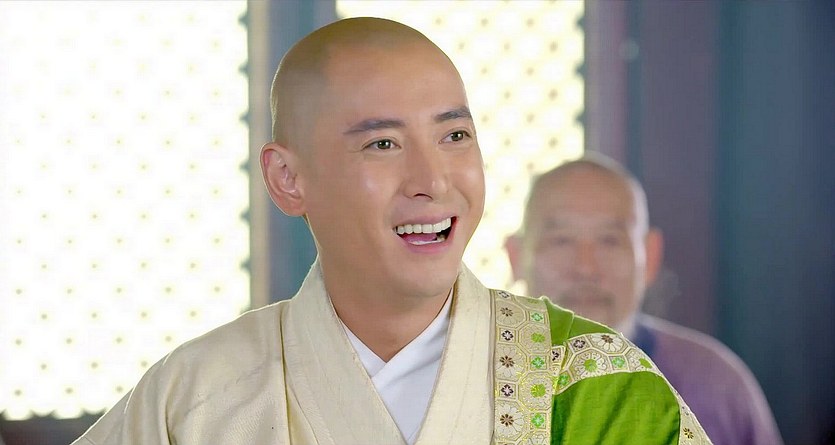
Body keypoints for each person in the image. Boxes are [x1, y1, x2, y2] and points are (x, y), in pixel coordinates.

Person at [73, 18, 711, 445]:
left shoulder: (594, 386)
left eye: (454, 136)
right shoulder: (193, 401)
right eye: (382, 143)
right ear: (288, 178)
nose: (431, 180)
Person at [505, 154, 782, 445]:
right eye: (561, 240)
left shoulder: (714, 383)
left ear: (650, 256)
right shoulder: (485, 373)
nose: (586, 268)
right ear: (516, 256)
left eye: (610, 241)